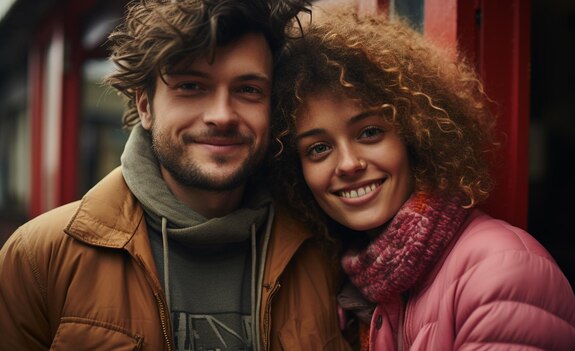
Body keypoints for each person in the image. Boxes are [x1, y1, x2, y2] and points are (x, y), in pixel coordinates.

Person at [0, 1, 352, 350]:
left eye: (248, 89)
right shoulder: (39, 257)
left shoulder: (324, 251)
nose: (221, 115)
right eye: (191, 86)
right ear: (145, 106)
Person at [271, 8, 575, 351]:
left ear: (413, 136)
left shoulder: (502, 271)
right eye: (319, 148)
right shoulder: (354, 284)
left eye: (369, 132)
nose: (348, 164)